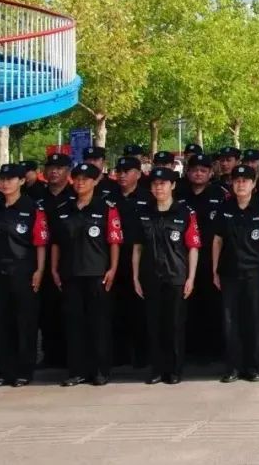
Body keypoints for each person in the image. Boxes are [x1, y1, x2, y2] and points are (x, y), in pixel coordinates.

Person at [50, 163, 124, 387]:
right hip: (70, 273)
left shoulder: (106, 207)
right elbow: (56, 243)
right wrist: (54, 269)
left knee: (98, 324)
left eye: (86, 179)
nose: (80, 183)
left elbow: (114, 240)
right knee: (74, 324)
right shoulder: (64, 208)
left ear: (95, 181)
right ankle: (77, 371)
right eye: (77, 179)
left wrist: (113, 268)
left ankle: (100, 371)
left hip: (97, 273)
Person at [212, 164, 259, 382]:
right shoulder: (225, 208)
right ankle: (233, 367)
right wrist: (215, 270)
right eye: (237, 181)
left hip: (255, 272)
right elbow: (217, 241)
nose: (241, 184)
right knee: (230, 321)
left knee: (254, 319)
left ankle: (253, 367)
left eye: (245, 181)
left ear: (253, 184)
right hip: (229, 272)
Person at [131, 167, 201, 385]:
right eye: (154, 184)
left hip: (176, 276)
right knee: (154, 325)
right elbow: (137, 248)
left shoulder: (185, 213)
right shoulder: (143, 212)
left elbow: (193, 248)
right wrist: (135, 277)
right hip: (150, 275)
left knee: (175, 325)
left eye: (163, 183)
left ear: (173, 185)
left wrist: (191, 278)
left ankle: (174, 369)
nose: (158, 187)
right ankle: (157, 369)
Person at [0, 163, 48, 387]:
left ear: (21, 181)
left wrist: (39, 270)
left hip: (24, 272)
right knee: (1, 322)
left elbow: (40, 243)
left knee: (25, 322)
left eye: (10, 179)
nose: (5, 183)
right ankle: (4, 371)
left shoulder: (32, 208)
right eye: (2, 179)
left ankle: (24, 371)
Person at [178, 154, 229, 363]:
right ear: (188, 172)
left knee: (213, 305)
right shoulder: (179, 194)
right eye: (195, 170)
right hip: (184, 258)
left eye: (203, 170)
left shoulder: (222, 194)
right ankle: (191, 350)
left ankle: (213, 350)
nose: (198, 173)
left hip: (211, 258)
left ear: (211, 173)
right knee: (188, 305)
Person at [35, 153, 74, 369]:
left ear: (68, 172)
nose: (54, 172)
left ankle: (72, 355)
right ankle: (50, 355)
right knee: (46, 310)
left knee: (70, 310)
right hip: (42, 260)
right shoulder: (37, 197)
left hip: (70, 260)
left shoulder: (75, 196)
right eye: (50, 167)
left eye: (59, 168)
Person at [112, 156, 151, 370]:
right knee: (116, 309)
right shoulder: (109, 198)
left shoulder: (147, 197)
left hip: (140, 261)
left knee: (140, 310)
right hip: (115, 261)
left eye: (127, 171)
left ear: (138, 174)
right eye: (119, 171)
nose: (122, 175)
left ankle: (143, 354)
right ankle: (120, 353)